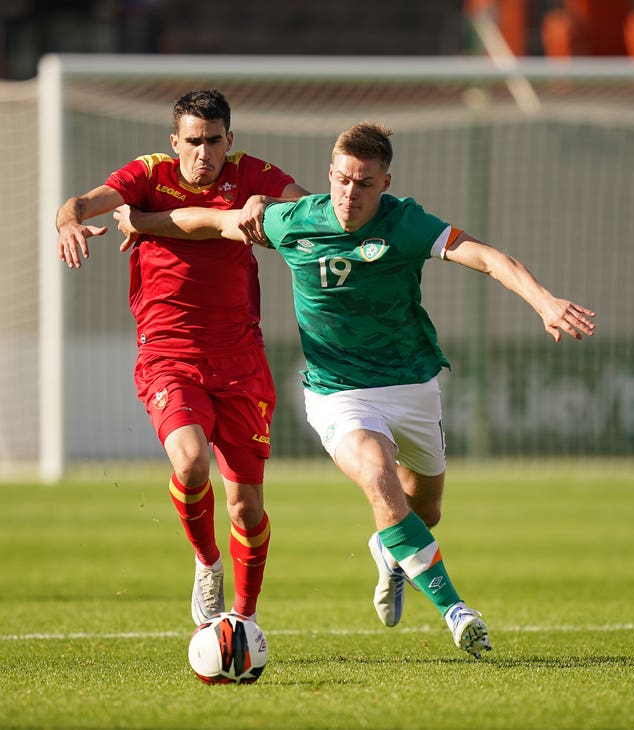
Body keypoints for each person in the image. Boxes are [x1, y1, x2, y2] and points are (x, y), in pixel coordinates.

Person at [113, 121, 596, 659]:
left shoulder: (407, 223)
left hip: (412, 384)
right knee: (376, 476)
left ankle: (390, 551)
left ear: (385, 182)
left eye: (365, 183)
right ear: (329, 175)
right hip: (338, 392)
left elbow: (485, 256)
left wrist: (544, 301)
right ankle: (457, 612)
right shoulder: (294, 219)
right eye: (343, 179)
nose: (350, 192)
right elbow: (204, 220)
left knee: (424, 512)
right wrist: (141, 220)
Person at [56, 89, 309, 626]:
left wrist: (270, 204)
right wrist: (68, 224)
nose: (203, 153)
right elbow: (78, 203)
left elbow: (306, 203)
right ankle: (207, 560)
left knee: (247, 507)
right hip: (169, 353)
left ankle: (243, 620)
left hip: (241, 359)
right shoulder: (147, 175)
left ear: (229, 141)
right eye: (192, 142)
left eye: (213, 141)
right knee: (191, 462)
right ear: (175, 143)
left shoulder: (250, 173)